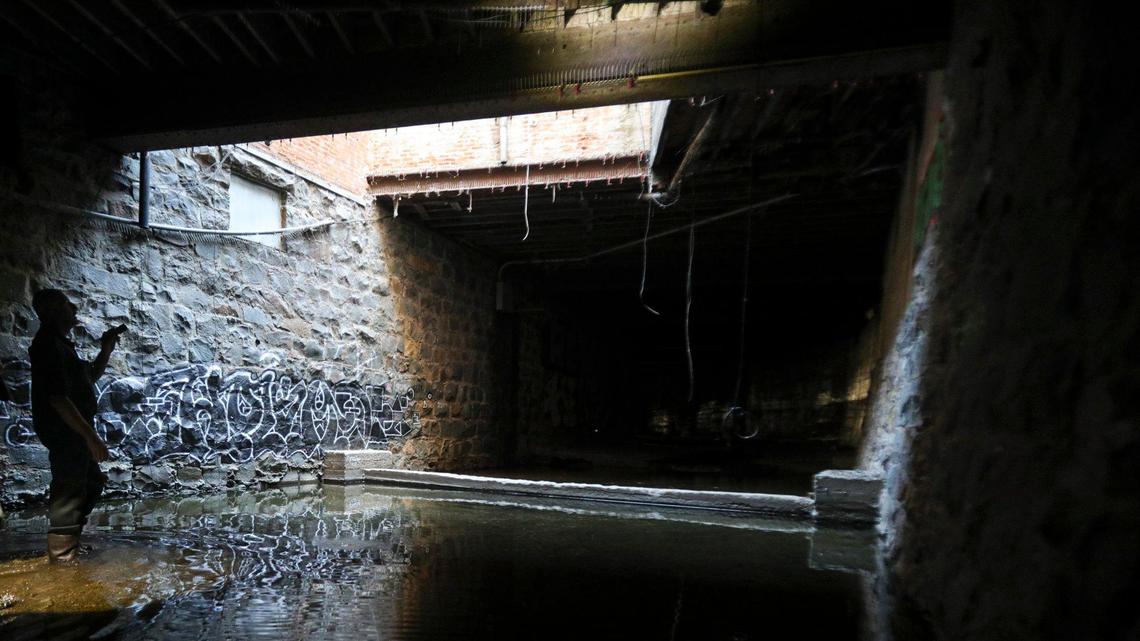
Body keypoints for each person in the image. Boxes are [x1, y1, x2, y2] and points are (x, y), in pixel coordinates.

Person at [29, 288, 122, 562]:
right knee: (68, 489)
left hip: (73, 432)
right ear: (56, 311)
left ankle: (69, 542)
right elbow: (58, 399)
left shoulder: (61, 345)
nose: (75, 309)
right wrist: (91, 436)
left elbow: (88, 377)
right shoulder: (47, 345)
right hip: (64, 431)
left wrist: (106, 350)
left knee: (92, 481)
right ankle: (62, 554)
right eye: (69, 305)